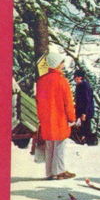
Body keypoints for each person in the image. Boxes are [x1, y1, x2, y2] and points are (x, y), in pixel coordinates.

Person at [36, 46, 77, 180]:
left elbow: (38, 102)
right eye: (61, 63)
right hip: (59, 119)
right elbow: (68, 102)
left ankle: (49, 172)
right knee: (59, 145)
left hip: (46, 119)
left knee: (49, 146)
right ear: (56, 64)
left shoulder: (41, 81)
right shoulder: (61, 81)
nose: (63, 65)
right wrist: (72, 118)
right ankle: (59, 172)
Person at [72, 68, 96, 146]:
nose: (74, 79)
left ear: (80, 77)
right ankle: (84, 141)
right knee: (82, 127)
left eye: (76, 77)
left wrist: (84, 113)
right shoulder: (79, 85)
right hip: (82, 111)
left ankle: (89, 143)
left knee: (86, 127)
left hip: (85, 111)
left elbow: (87, 100)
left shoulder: (84, 86)